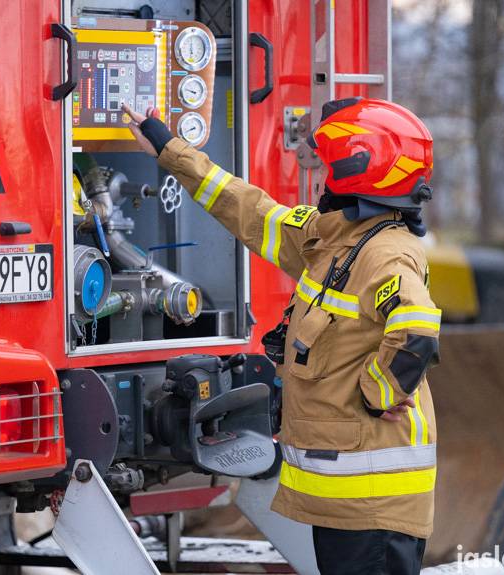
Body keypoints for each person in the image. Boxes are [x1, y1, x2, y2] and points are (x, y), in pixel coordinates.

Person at [124, 97, 441, 575]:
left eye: (328, 166)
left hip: (373, 504)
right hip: (349, 502)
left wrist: (378, 390)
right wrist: (170, 150)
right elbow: (248, 209)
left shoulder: (385, 256)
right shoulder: (333, 240)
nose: (319, 176)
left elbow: (416, 331)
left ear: (357, 172)